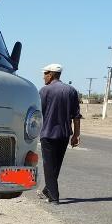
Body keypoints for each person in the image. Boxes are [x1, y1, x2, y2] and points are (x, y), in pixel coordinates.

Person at [38, 63, 81, 204]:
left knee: (49, 166)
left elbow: (39, 113)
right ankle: (47, 190)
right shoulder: (71, 91)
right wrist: (76, 134)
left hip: (48, 133)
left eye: (45, 74)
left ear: (50, 74)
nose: (43, 77)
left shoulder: (44, 91)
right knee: (56, 165)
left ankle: (54, 197)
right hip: (64, 134)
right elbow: (76, 115)